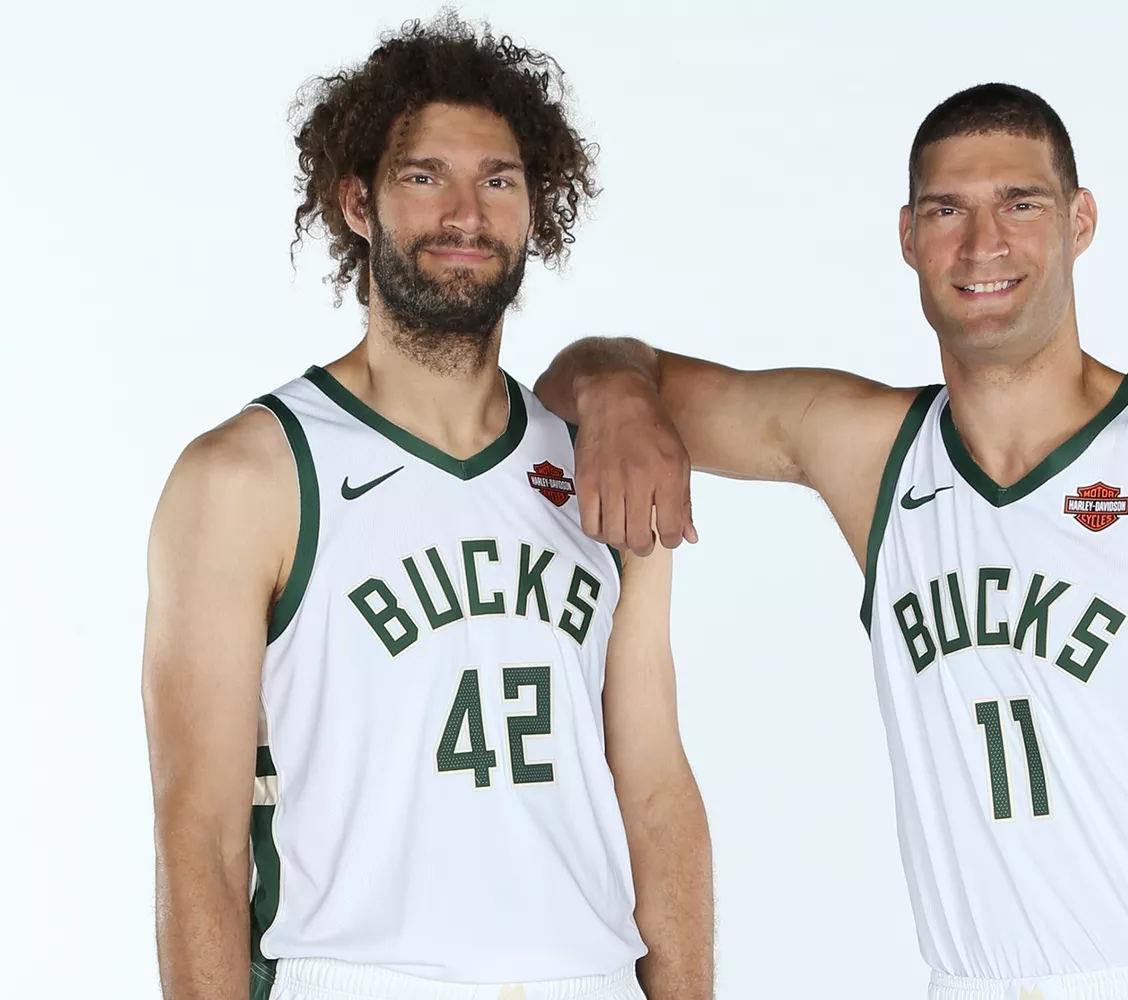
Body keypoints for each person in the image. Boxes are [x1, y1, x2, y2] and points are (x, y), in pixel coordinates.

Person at [535, 83, 1128, 1000]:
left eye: (1020, 204)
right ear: (908, 236)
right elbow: (590, 371)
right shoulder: (875, 452)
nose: (983, 244)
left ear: (1080, 219)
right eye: (949, 210)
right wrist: (617, 394)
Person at [142, 16, 711, 1000]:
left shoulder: (600, 467)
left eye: (498, 179)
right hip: (365, 974)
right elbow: (198, 834)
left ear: (537, 207)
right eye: (424, 175)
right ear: (357, 200)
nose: (465, 213)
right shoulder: (247, 475)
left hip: (591, 976)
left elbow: (655, 791)